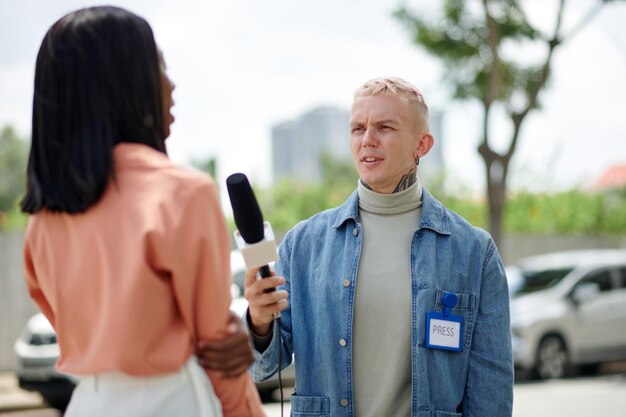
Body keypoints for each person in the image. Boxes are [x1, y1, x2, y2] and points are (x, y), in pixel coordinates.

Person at [20, 6, 264, 417]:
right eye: (160, 66)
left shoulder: (43, 221)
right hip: (173, 401)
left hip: (88, 404)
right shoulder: (182, 194)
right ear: (124, 84)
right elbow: (219, 353)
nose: (171, 85)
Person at [242, 77, 513, 416]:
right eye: (357, 128)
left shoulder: (473, 252)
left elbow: (492, 391)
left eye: (384, 127)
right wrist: (259, 322)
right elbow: (259, 369)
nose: (367, 139)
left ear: (422, 144)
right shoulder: (303, 245)